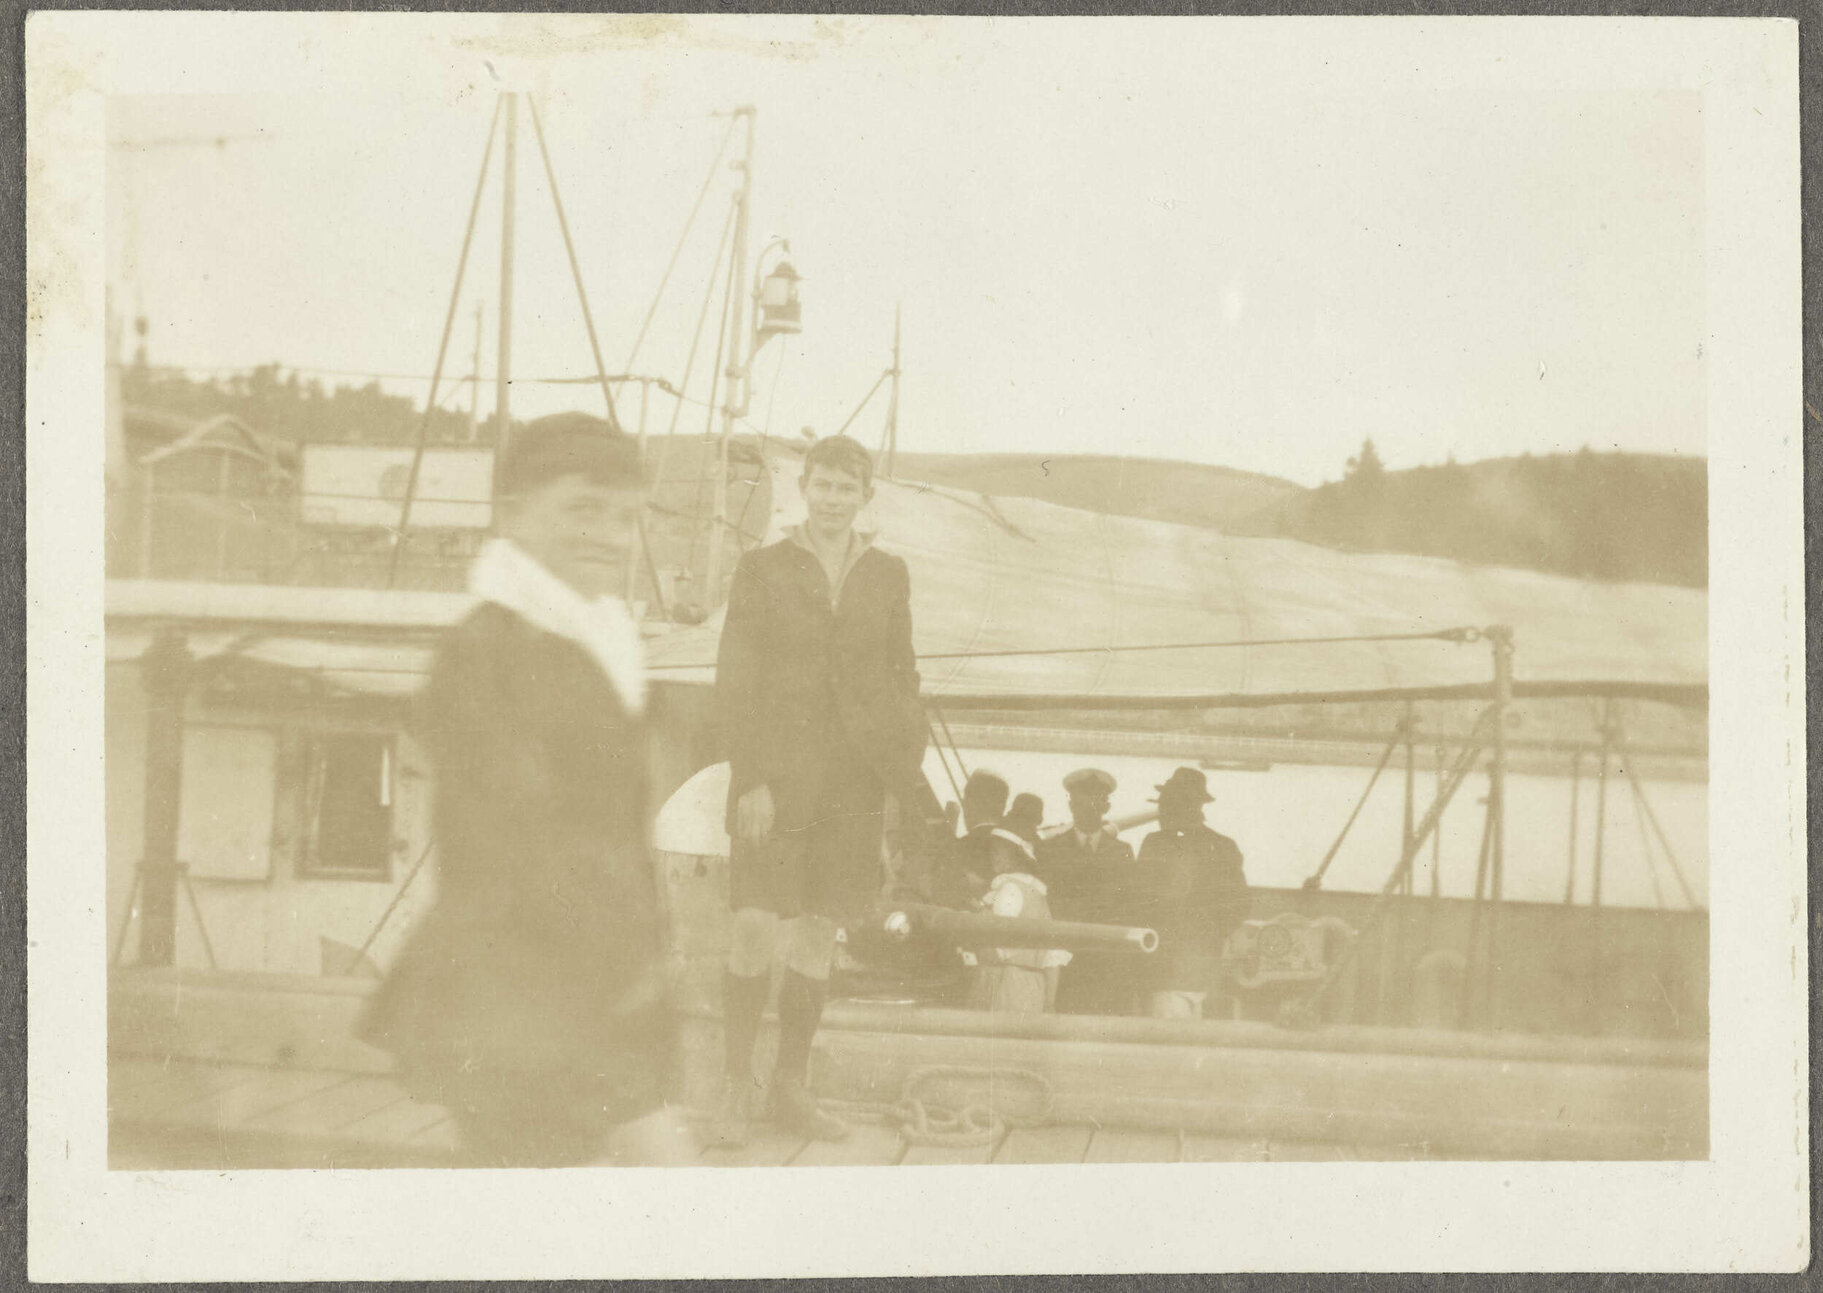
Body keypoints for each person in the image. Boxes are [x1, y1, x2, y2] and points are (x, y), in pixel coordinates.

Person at [359, 413, 693, 1168]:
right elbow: (528, 847)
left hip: (587, 1000)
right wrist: (634, 979)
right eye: (582, 507)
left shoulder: (594, 637)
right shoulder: (484, 654)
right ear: (511, 513)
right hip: (519, 1009)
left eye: (624, 515)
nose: (609, 534)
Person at [714, 434, 926, 1146]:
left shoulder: (887, 573)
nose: (833, 499)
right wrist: (751, 780)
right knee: (751, 926)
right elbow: (735, 679)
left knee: (814, 935)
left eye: (847, 487)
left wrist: (900, 772)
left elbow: (903, 679)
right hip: (775, 780)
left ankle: (789, 1090)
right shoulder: (763, 566)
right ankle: (732, 1085)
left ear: (865, 495)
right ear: (803, 488)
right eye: (822, 486)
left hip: (854, 783)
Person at [1134, 767, 1250, 1019]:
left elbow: (1141, 903)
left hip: (1168, 972)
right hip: (1207, 972)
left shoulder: (1157, 844)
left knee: (1168, 1047)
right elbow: (1239, 906)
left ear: (1185, 806)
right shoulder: (1224, 847)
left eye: (1166, 805)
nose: (1160, 813)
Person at [1037, 767, 1141, 1015]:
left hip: (1106, 960)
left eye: (1095, 805)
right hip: (1065, 958)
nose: (1089, 811)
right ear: (1071, 806)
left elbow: (1129, 905)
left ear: (1106, 808)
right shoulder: (1050, 850)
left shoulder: (1122, 851)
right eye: (1083, 805)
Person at [964, 829, 1071, 1014]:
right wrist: (1048, 1003)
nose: (993, 857)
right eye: (992, 852)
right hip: (1033, 985)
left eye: (998, 852)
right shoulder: (1036, 893)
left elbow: (995, 948)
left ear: (1015, 855)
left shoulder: (1009, 889)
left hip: (1004, 984)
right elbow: (1052, 959)